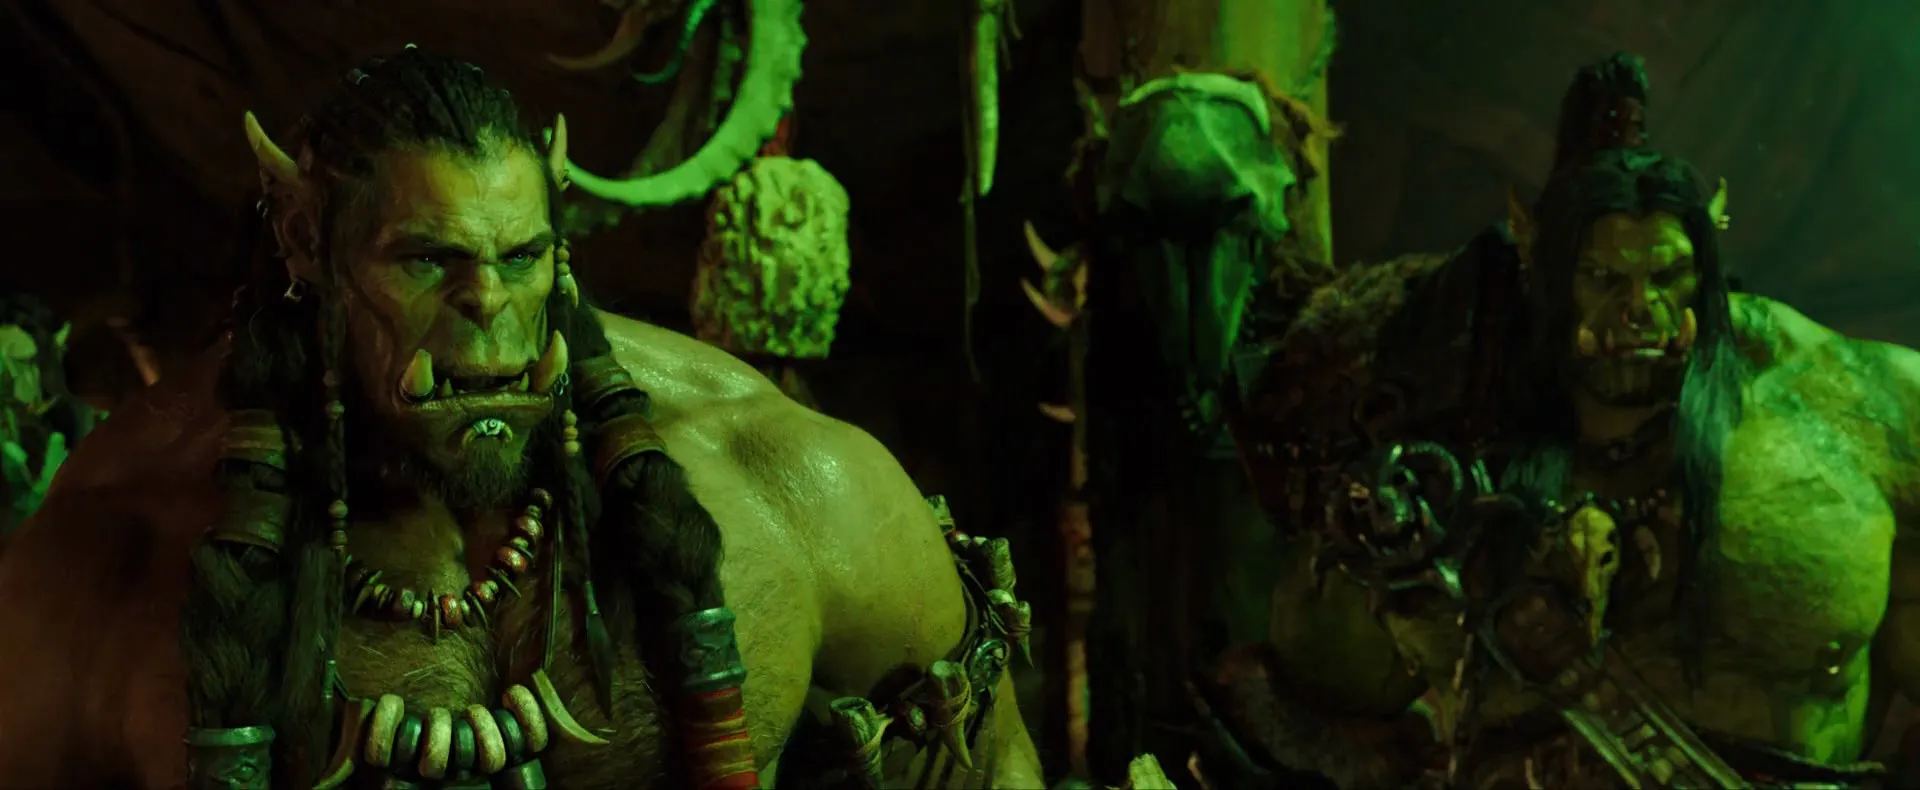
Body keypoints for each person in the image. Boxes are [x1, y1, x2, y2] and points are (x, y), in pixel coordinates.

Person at [0, 47, 1041, 789]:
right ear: (308, 242)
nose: (490, 307)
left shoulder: (778, 475)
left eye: (523, 256)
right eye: (427, 260)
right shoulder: (116, 547)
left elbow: (991, 763)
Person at [1203, 53, 1920, 788]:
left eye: (1667, 275)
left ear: (1702, 269)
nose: (1640, 308)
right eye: (1603, 278)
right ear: (1549, 276)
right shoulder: (1448, 435)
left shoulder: (1862, 408)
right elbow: (1315, 709)